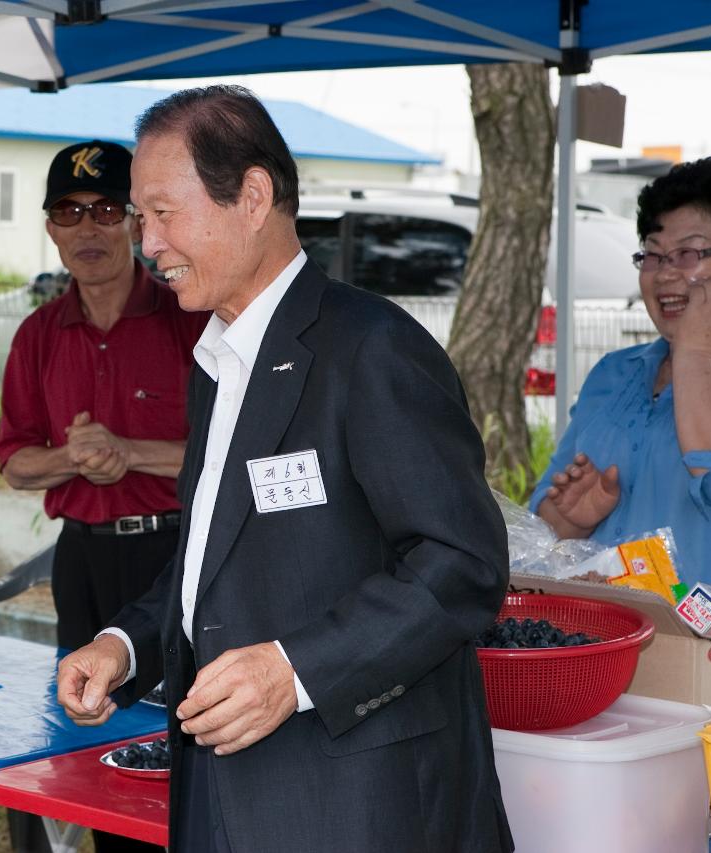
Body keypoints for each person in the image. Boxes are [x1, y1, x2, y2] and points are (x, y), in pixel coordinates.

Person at [56, 85, 513, 853]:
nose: (148, 242)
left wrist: (294, 670)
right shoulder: (218, 361)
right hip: (222, 792)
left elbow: (462, 564)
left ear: (254, 196)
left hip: (362, 804)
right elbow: (218, 552)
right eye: (142, 217)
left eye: (164, 213)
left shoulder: (372, 349)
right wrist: (126, 643)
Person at [0, 139, 208, 655]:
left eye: (106, 211)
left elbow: (231, 453)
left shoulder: (193, 319)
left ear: (137, 225)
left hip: (174, 555)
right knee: (85, 711)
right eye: (68, 212)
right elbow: (14, 465)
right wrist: (74, 457)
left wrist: (127, 451)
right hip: (79, 558)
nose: (87, 229)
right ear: (51, 230)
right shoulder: (37, 334)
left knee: (175, 719)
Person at [532, 157, 711, 580]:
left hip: (700, 645)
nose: (665, 273)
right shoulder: (614, 374)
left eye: (687, 252)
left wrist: (694, 353)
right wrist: (572, 520)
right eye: (652, 256)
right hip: (606, 635)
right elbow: (544, 528)